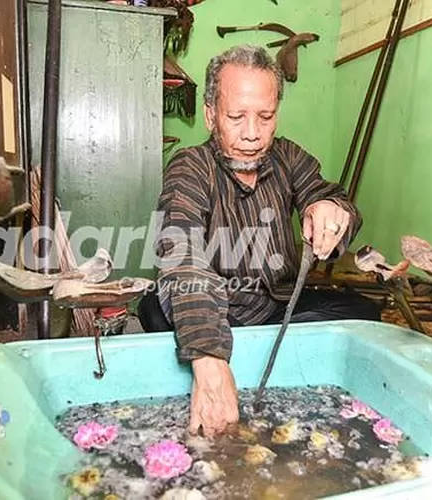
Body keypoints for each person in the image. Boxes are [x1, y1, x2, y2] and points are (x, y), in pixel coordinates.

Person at [138, 45, 381, 439]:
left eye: (265, 117)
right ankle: (219, 355)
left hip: (273, 305)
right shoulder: (191, 167)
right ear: (210, 114)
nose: (252, 134)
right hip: (217, 306)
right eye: (236, 117)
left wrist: (332, 210)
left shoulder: (286, 157)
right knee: (159, 313)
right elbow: (180, 250)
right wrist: (207, 353)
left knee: (363, 315)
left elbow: (335, 197)